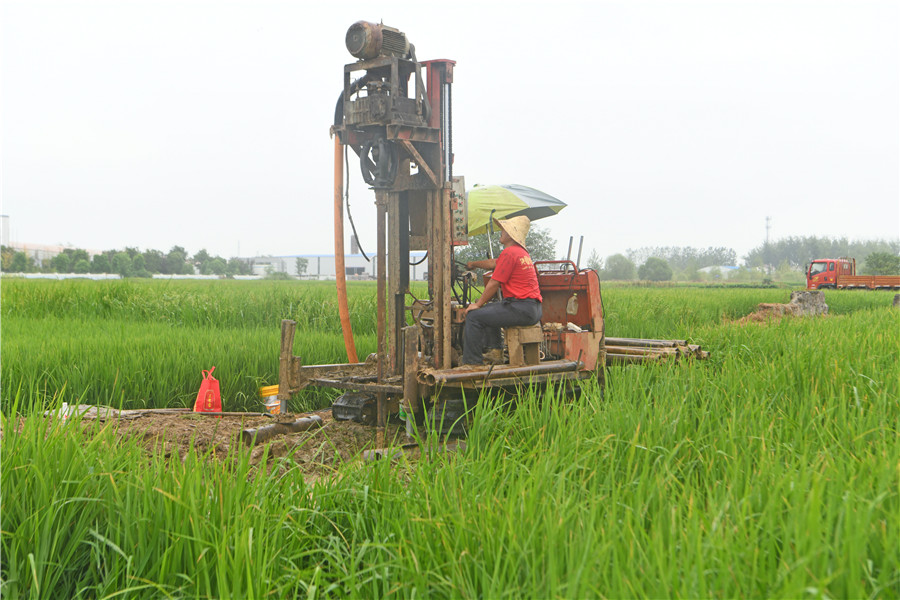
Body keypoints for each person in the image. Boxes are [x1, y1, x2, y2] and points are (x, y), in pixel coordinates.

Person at [461, 215, 542, 365]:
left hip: (520, 308)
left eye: (503, 230)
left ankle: (472, 363)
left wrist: (477, 305)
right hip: (534, 309)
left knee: (474, 316)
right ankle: (495, 352)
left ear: (510, 234)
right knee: (491, 308)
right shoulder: (521, 253)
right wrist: (474, 264)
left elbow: (494, 283)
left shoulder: (510, 253)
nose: (501, 232)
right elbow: (493, 263)